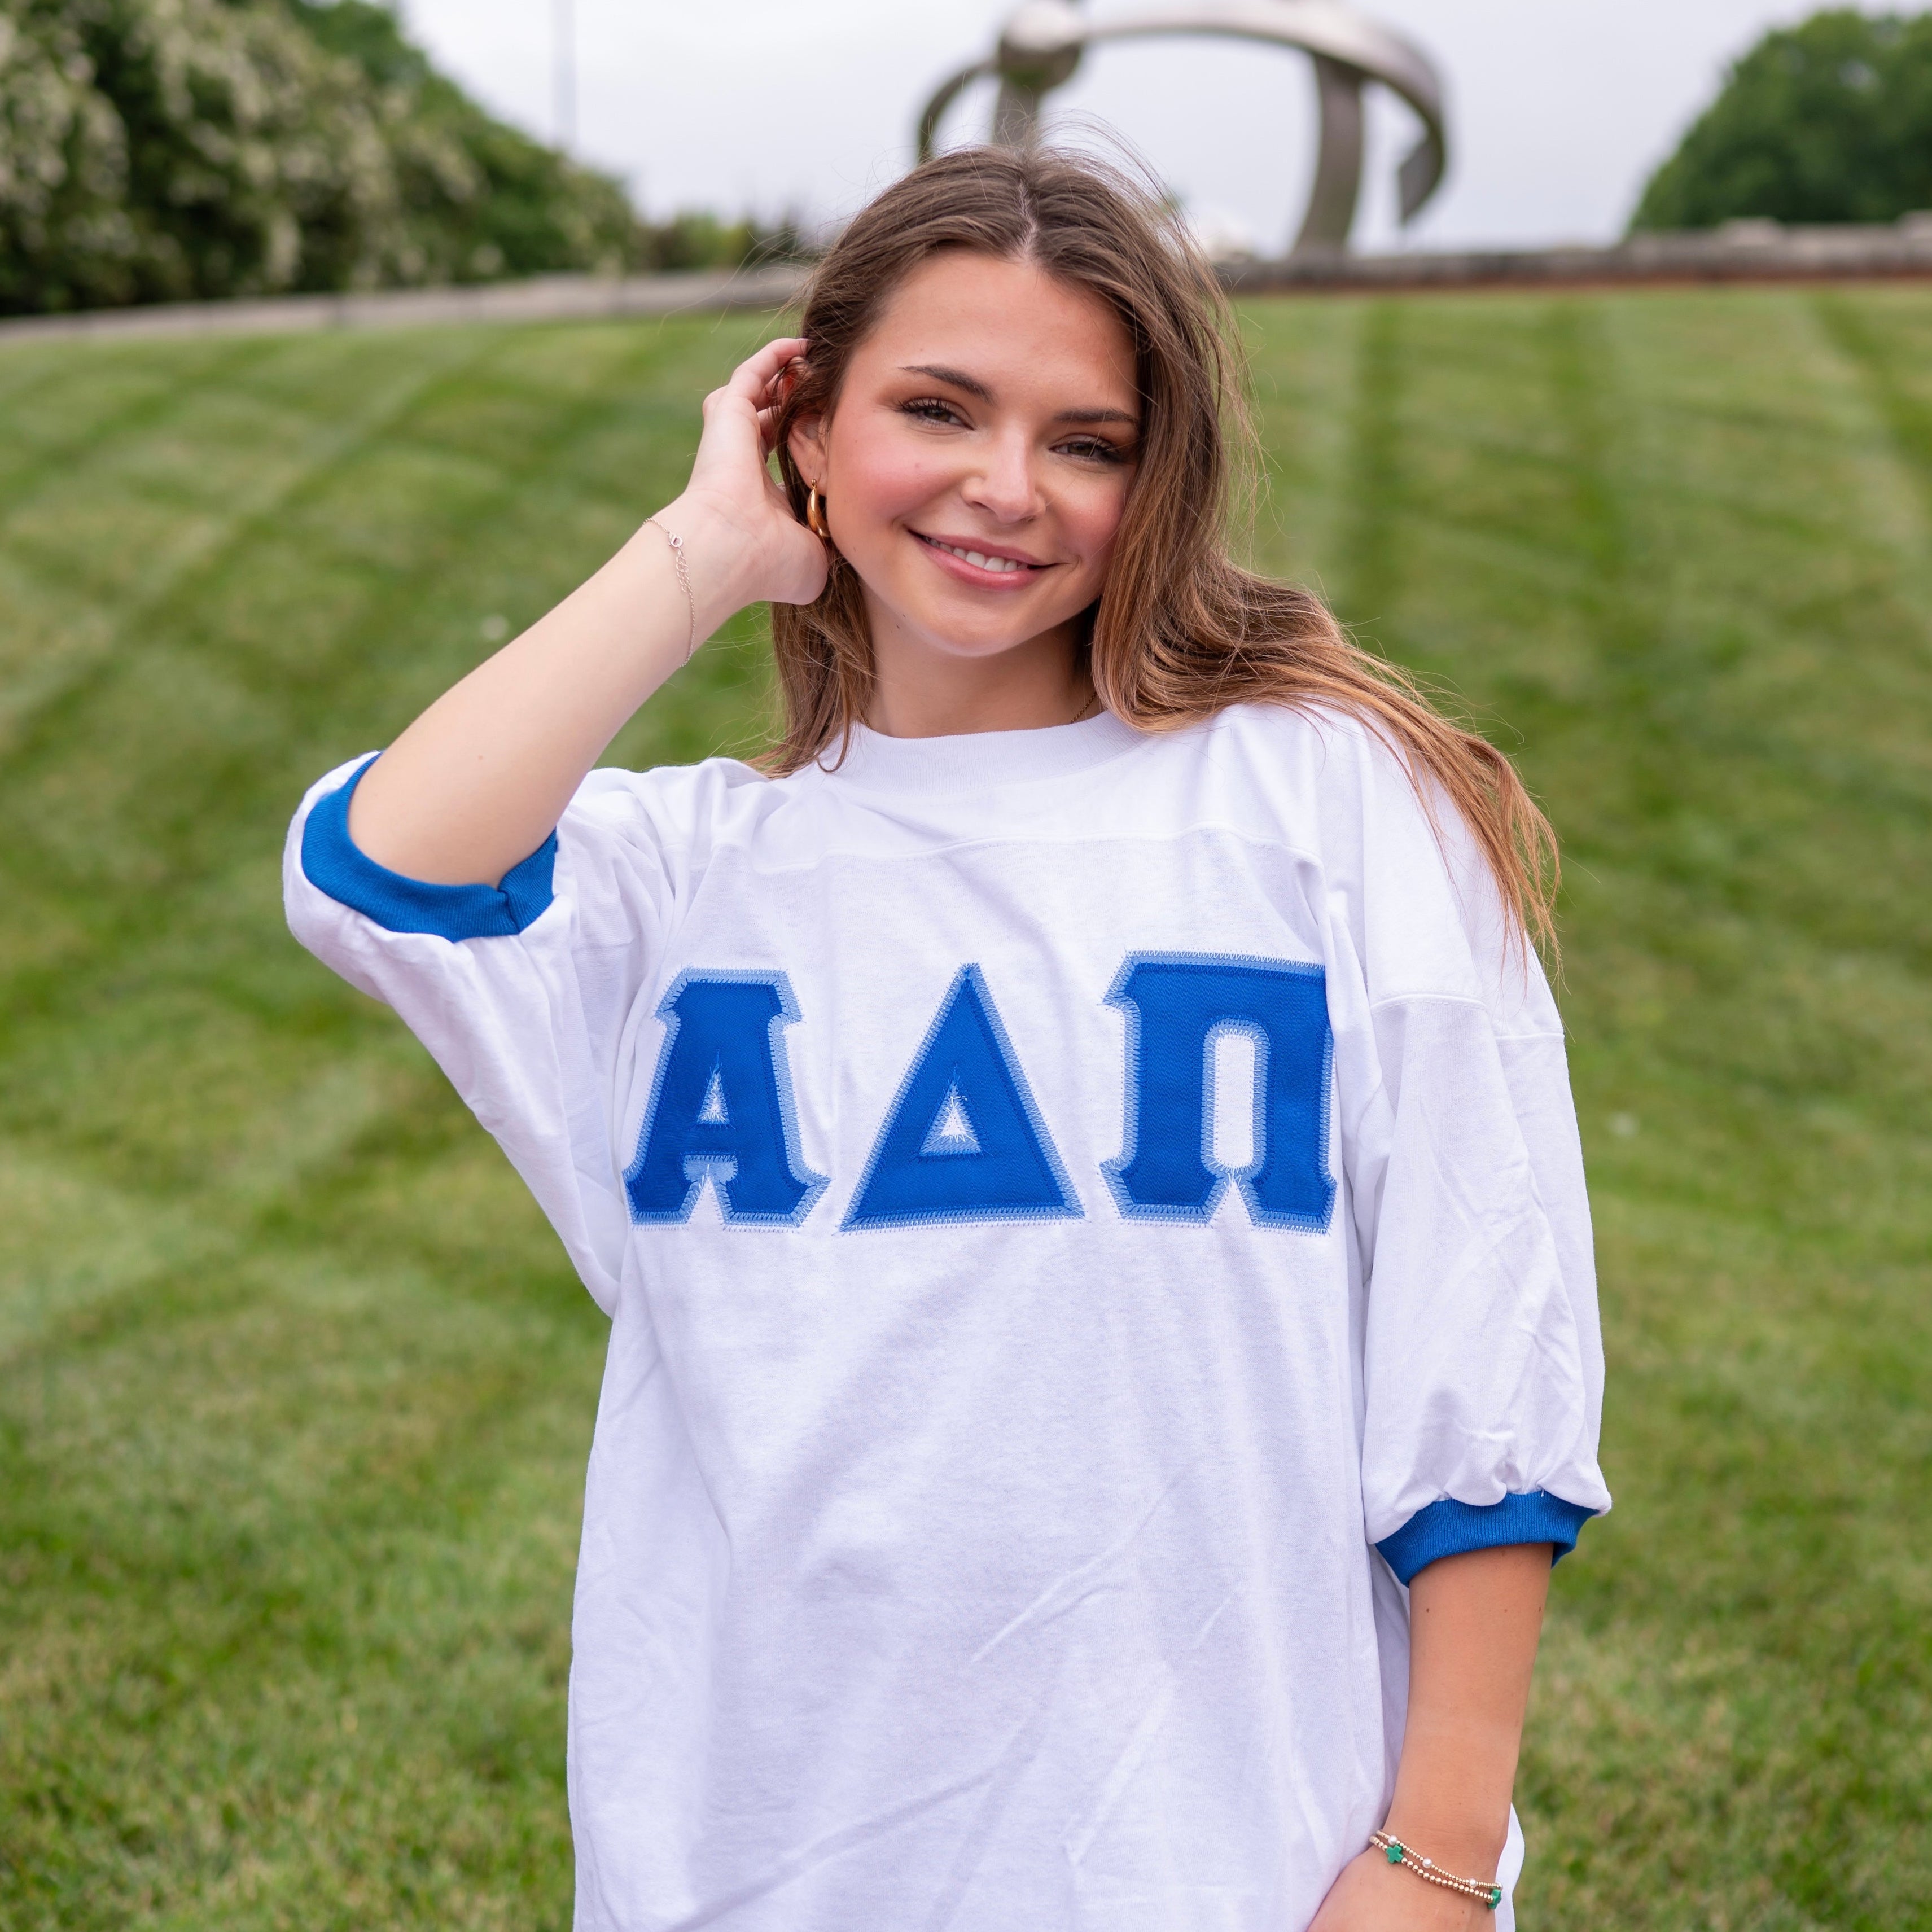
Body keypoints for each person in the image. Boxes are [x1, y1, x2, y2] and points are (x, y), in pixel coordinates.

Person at [284, 145, 1609, 1932]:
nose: (1010, 489)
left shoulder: (1322, 800)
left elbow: (1487, 1361)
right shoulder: (679, 874)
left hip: (1235, 1855)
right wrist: (702, 553)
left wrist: (1439, 1853)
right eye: (939, 408)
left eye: (1089, 440)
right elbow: (379, 877)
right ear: (806, 424)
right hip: (753, 1851)